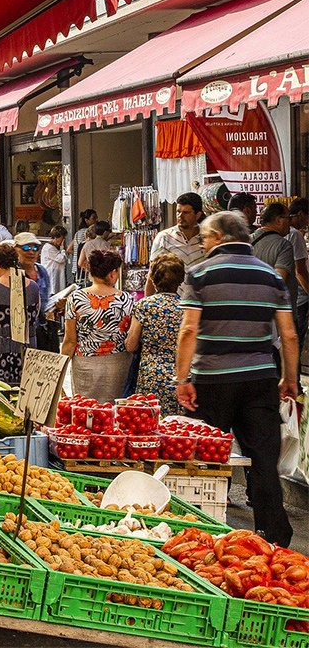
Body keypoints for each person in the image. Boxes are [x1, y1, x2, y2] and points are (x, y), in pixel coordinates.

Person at [175, 210, 296, 546]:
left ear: (217, 238)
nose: (201, 243)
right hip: (260, 379)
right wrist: (289, 377)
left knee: (202, 459)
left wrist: (182, 378)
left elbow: (188, 329)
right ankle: (274, 537)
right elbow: (288, 334)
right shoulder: (271, 277)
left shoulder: (199, 274)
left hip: (211, 381)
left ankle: (198, 534)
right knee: (263, 461)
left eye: (204, 237)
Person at [62, 249, 135, 402]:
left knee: (86, 411)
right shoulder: (127, 299)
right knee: (113, 414)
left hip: (85, 364)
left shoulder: (76, 298)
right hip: (118, 364)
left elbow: (69, 340)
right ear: (113, 273)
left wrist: (59, 368)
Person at [125, 254, 186, 417]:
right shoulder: (188, 308)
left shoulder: (144, 306)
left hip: (150, 376)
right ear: (180, 281)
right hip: (180, 376)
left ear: (153, 279)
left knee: (149, 425)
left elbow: (131, 345)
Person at [0, 244, 40, 388]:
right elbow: (34, 316)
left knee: (4, 392)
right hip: (29, 349)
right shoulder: (33, 286)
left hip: (1, 350)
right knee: (26, 391)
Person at [150, 192, 205, 269]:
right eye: (178, 212)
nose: (180, 216)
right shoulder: (164, 237)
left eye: (186, 213)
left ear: (198, 215)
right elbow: (153, 271)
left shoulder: (206, 237)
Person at [252, 202, 294, 288]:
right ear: (278, 220)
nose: (291, 222)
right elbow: (279, 281)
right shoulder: (284, 245)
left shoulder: (246, 240)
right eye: (289, 218)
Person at [14, 233, 50, 328]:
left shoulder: (42, 271)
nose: (31, 252)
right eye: (26, 248)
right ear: (15, 250)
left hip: (39, 330)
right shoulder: (9, 272)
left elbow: (46, 301)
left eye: (35, 248)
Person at [288, 197, 309, 348]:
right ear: (301, 214)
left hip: (288, 298)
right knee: (296, 345)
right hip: (300, 299)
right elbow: (300, 271)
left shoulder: (281, 232)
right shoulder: (295, 235)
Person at [40, 226, 68, 297]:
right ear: (56, 237)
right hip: (51, 279)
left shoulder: (53, 248)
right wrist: (62, 249)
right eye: (62, 238)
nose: (63, 240)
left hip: (55, 278)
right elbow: (62, 259)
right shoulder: (49, 248)